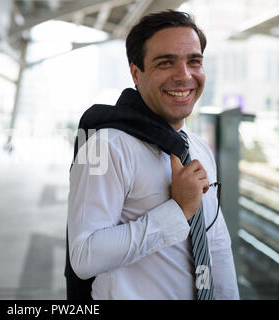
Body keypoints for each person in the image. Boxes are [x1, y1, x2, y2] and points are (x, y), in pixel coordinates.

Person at [66, 10, 239, 300]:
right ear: (136, 73)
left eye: (194, 61)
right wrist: (178, 211)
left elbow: (216, 244)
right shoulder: (104, 147)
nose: (184, 75)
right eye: (165, 62)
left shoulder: (197, 149)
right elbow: (84, 257)